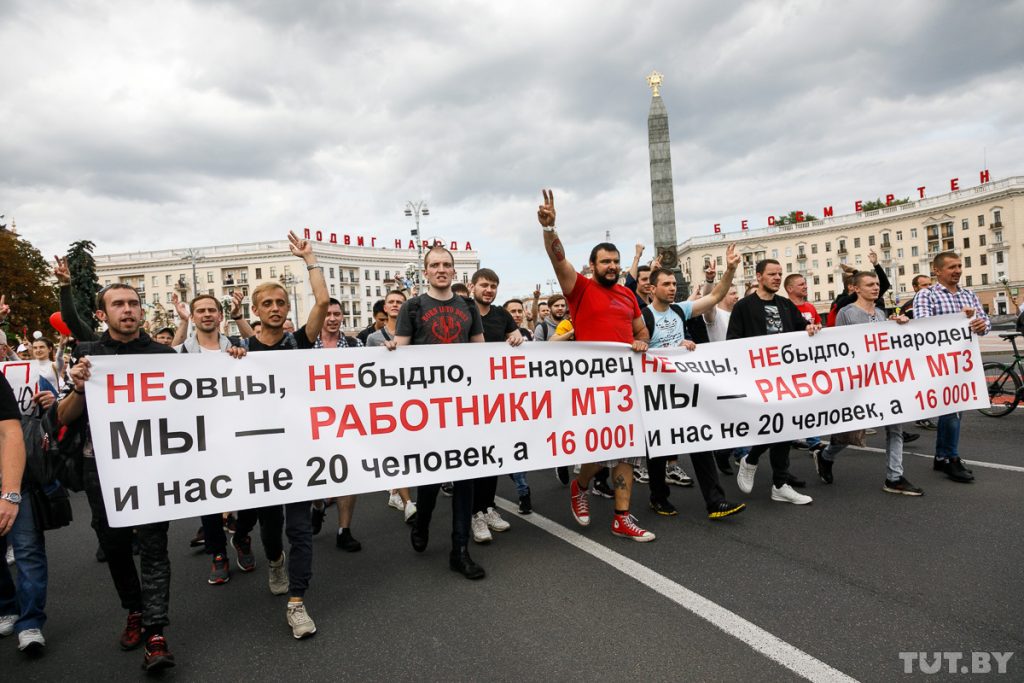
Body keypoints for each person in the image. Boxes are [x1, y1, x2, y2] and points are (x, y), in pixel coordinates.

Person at [56, 283, 178, 670]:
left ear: (141, 312)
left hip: (152, 467)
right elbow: (63, 417)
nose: (127, 310)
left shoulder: (163, 355)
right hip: (101, 469)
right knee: (115, 545)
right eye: (118, 304)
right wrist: (78, 388)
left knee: (155, 546)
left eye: (133, 304)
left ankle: (156, 633)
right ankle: (134, 610)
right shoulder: (89, 355)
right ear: (102, 314)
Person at [537, 189, 655, 542]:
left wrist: (643, 341)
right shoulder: (580, 288)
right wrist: (550, 229)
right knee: (602, 450)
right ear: (593, 265)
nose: (613, 267)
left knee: (629, 449)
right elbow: (558, 261)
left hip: (626, 384)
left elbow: (641, 329)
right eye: (606, 262)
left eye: (616, 261)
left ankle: (622, 517)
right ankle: (581, 483)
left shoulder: (628, 295)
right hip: (591, 385)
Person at [228, 232, 328, 639]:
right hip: (260, 455)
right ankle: (274, 561)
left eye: (280, 303)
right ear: (254, 311)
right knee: (272, 527)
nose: (274, 308)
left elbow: (322, 302)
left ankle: (297, 603)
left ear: (288, 309)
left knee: (300, 529)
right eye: (266, 303)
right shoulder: (240, 353)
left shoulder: (298, 343)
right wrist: (234, 363)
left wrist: (310, 259)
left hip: (298, 450)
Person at [385, 245, 487, 579]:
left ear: (454, 271)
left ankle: (460, 550)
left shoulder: (467, 306)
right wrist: (390, 351)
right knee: (430, 476)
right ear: (425, 271)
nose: (441, 269)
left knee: (465, 477)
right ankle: (423, 519)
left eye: (446, 264)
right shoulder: (413, 307)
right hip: (427, 410)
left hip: (463, 408)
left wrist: (511, 342)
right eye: (434, 265)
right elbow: (400, 352)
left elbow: (480, 353)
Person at [643, 256, 748, 521]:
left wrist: (731, 269)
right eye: (665, 284)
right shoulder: (643, 317)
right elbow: (635, 349)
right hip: (656, 394)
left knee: (700, 441)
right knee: (659, 450)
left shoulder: (680, 310)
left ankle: (716, 502)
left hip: (686, 390)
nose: (671, 287)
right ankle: (658, 497)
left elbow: (714, 297)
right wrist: (670, 350)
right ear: (651, 289)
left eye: (673, 283)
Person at [811, 272, 923, 495]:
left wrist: (899, 327)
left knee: (896, 429)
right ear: (856, 289)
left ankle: (894, 477)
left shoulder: (882, 314)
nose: (875, 288)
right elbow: (838, 348)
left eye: (877, 284)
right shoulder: (847, 313)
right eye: (870, 284)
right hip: (859, 385)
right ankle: (825, 455)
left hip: (884, 383)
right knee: (849, 434)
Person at [170, 293, 249, 585]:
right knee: (209, 497)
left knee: (247, 490)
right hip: (198, 437)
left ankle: (241, 535)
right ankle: (218, 553)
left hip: (236, 432)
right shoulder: (182, 353)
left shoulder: (236, 348)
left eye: (211, 310)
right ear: (193, 316)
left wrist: (242, 357)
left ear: (220, 316)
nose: (206, 315)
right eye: (200, 310)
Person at [727, 259, 821, 505]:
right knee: (769, 425)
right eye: (772, 274)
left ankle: (779, 483)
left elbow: (803, 329)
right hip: (758, 380)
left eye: (780, 274)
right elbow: (732, 342)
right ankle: (752, 459)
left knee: (786, 427)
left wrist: (810, 329)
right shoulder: (744, 307)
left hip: (786, 378)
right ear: (759, 276)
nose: (778, 278)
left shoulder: (786, 305)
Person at [913, 251, 990, 483]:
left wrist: (978, 324)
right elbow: (922, 326)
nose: (957, 270)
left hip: (964, 362)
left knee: (956, 407)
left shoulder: (970, 294)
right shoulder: (927, 295)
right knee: (952, 408)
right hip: (940, 362)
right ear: (937, 271)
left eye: (959, 266)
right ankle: (951, 458)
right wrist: (959, 319)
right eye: (951, 267)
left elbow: (985, 323)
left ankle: (942, 456)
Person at [468, 268, 524, 543]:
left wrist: (516, 338)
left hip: (496, 398)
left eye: (493, 286)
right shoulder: (464, 310)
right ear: (472, 286)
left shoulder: (501, 314)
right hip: (468, 397)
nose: (488, 290)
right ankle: (474, 514)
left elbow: (516, 336)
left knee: (492, 457)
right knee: (474, 460)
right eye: (484, 285)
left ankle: (487, 508)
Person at [308, 298, 364, 552]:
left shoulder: (355, 344)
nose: (332, 318)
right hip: (313, 423)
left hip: (347, 421)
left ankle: (344, 530)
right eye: (328, 314)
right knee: (314, 477)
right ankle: (318, 506)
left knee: (348, 476)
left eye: (337, 314)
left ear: (343, 317)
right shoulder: (305, 347)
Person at [0, 371, 46, 653]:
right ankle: (7, 608)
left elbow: (10, 431)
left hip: (11, 480)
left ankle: (30, 622)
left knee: (27, 550)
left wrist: (10, 492)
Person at [366, 291, 418, 524]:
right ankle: (408, 502)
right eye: (391, 302)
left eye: (400, 302)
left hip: (413, 401)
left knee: (408, 452)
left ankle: (396, 491)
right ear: (384, 308)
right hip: (387, 403)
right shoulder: (374, 338)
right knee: (396, 451)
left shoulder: (414, 334)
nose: (396, 305)